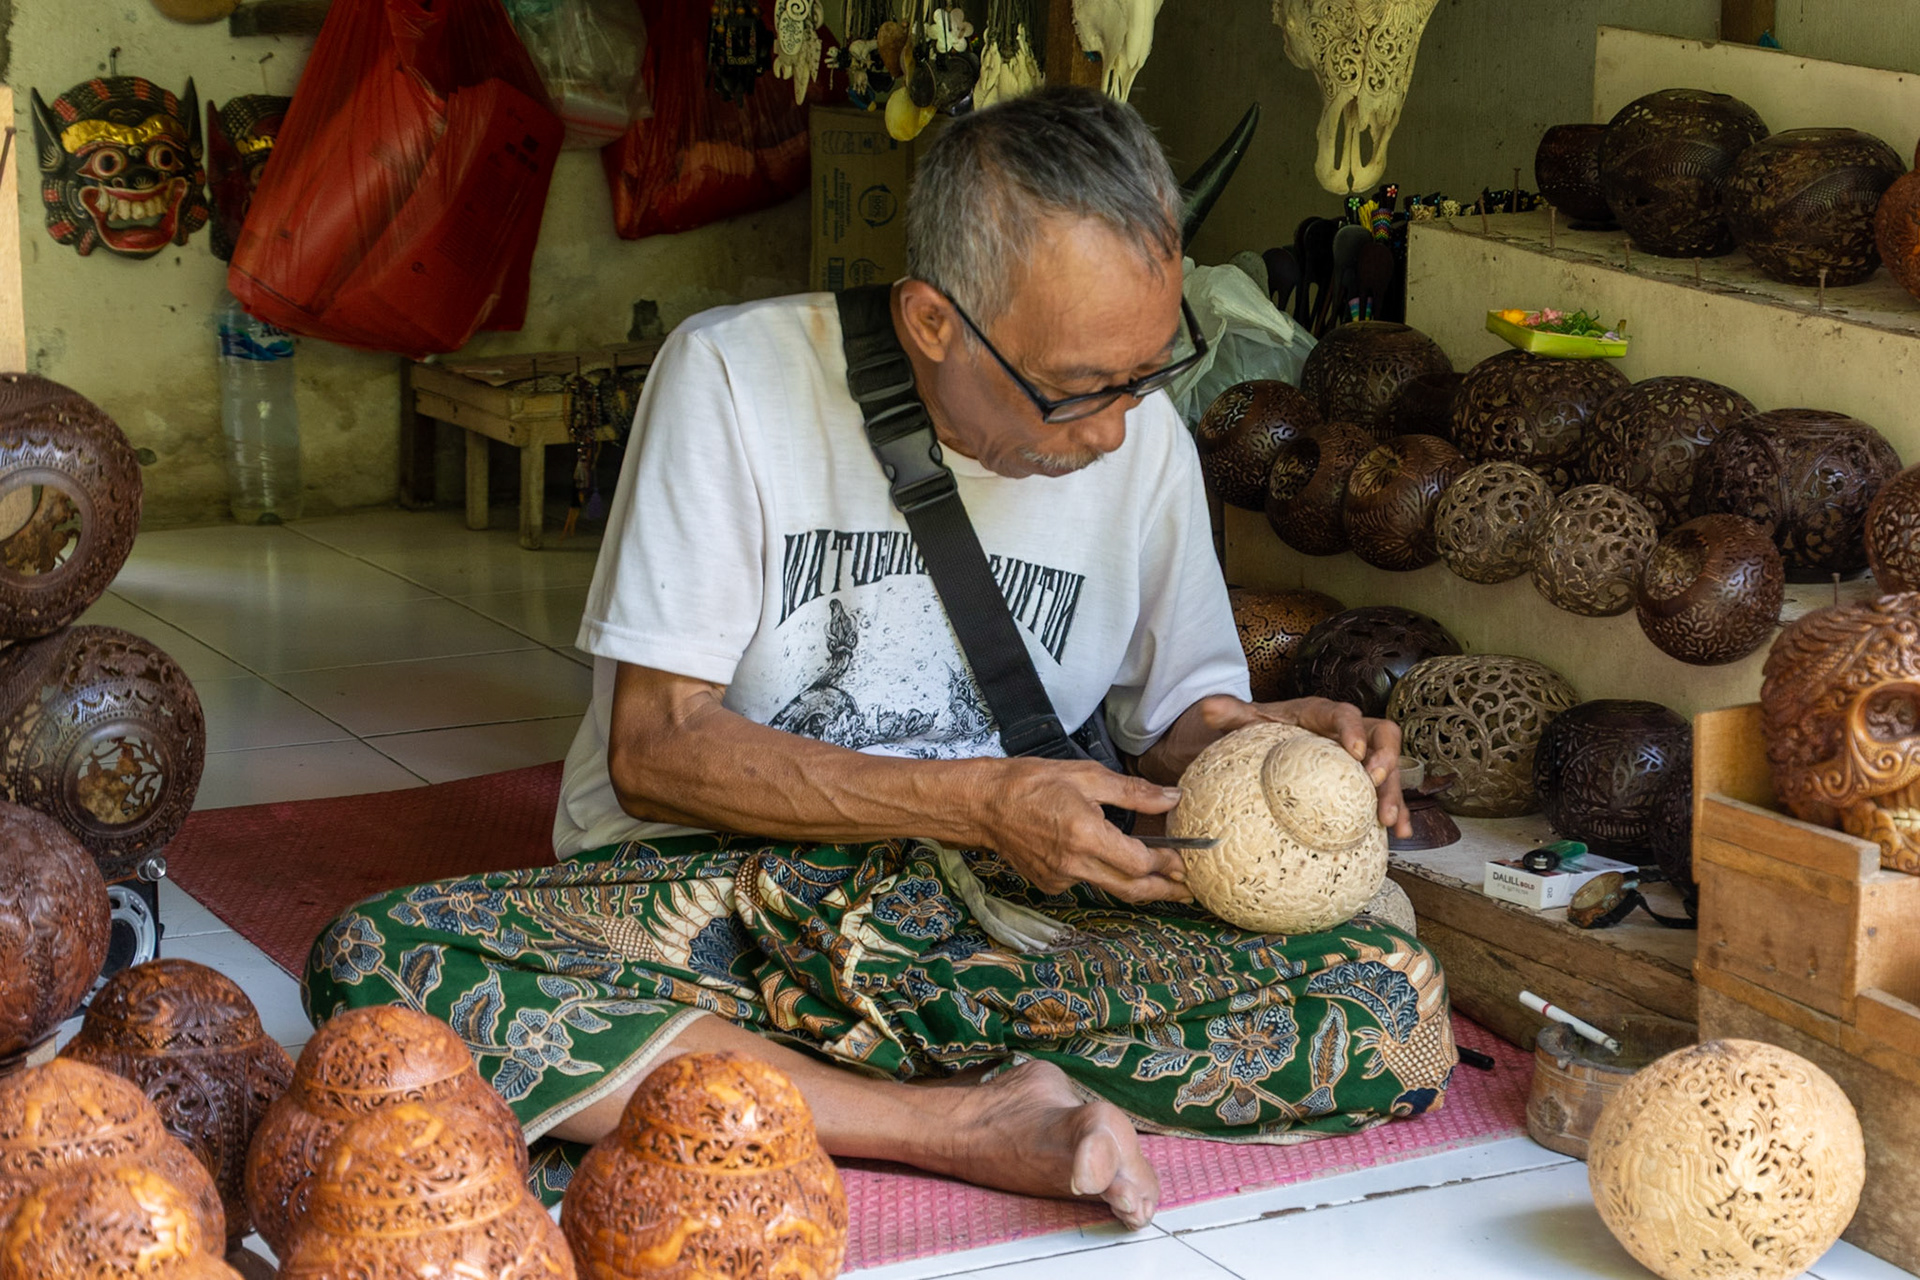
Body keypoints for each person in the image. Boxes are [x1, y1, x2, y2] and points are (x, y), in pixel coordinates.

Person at [306, 86, 1455, 1230]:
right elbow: (656, 753)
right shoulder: (730, 382)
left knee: (1385, 1000)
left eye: (1149, 373)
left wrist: (1269, 750)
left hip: (997, 920)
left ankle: (747, 1076)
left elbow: (1175, 724)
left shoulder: (1138, 433)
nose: (1112, 429)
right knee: (379, 962)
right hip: (721, 900)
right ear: (931, 321)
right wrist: (983, 800)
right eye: (1074, 389)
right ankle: (959, 1122)